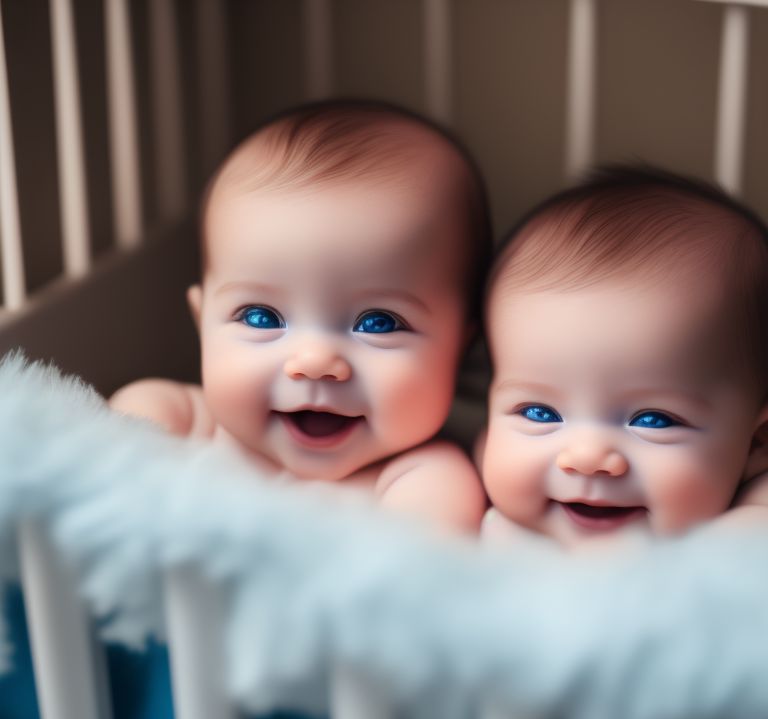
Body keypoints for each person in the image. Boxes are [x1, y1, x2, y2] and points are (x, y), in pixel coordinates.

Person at [111, 99, 491, 534]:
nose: (314, 362)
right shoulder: (187, 421)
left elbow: (415, 561)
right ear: (203, 325)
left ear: (460, 349)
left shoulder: (425, 479)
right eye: (260, 317)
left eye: (378, 323)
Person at [481, 165, 768, 549]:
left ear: (757, 443)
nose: (586, 457)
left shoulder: (734, 547)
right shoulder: (458, 517)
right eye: (538, 413)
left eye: (653, 420)